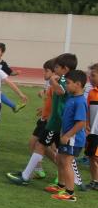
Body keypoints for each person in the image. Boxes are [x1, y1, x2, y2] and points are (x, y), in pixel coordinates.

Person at [6, 53, 84, 188]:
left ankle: (26, 176)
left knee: (45, 147)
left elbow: (61, 92)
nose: (55, 69)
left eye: (57, 67)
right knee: (59, 154)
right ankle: (67, 181)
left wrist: (53, 81)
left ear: (65, 69)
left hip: (56, 123)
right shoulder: (64, 79)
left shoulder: (65, 80)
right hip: (54, 121)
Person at [50, 70, 88, 202]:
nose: (66, 85)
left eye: (68, 83)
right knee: (60, 159)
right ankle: (60, 185)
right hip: (66, 136)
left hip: (73, 139)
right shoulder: (72, 98)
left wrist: (67, 136)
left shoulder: (80, 102)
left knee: (67, 162)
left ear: (78, 84)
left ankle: (70, 193)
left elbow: (81, 123)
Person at [0, 43, 25, 113]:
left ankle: (14, 106)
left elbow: (9, 72)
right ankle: (14, 106)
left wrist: (16, 73)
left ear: (2, 53)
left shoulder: (3, 64)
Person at [85, 63, 98, 190]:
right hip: (93, 132)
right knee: (91, 156)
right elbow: (88, 110)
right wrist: (87, 125)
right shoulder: (92, 93)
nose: (90, 78)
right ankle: (94, 181)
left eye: (93, 75)